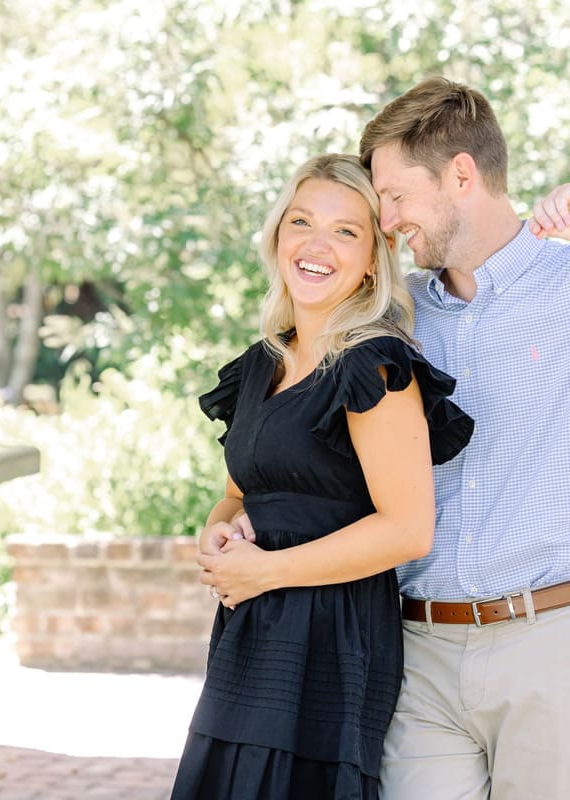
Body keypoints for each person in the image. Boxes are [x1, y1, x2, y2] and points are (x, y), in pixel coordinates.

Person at [206, 77, 570, 799]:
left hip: (552, 634)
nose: (388, 216)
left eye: (397, 195)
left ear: (461, 175)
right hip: (417, 648)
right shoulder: (397, 317)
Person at [171, 153, 474, 800]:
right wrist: (217, 538)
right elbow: (237, 496)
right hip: (253, 628)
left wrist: (268, 571)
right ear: (277, 236)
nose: (316, 245)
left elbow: (407, 530)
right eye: (301, 221)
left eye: (345, 231)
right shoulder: (260, 366)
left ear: (373, 258)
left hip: (334, 638)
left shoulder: (374, 366)